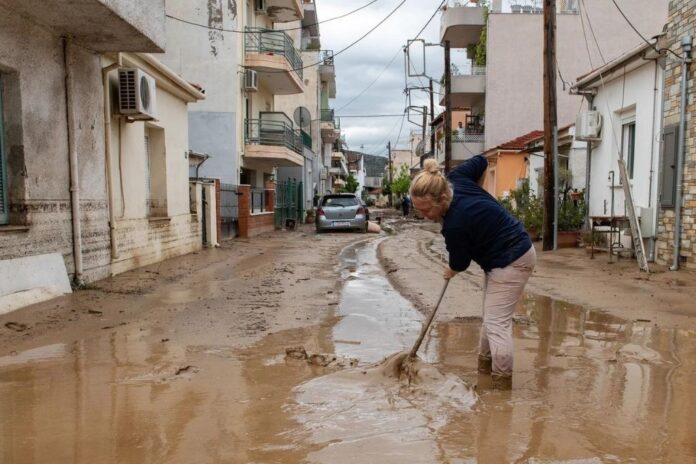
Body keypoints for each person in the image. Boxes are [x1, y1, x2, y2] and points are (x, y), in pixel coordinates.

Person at [410, 156, 536, 390]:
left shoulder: (455, 224)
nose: (424, 215)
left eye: (426, 210)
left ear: (443, 198)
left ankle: (500, 388)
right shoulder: (456, 179)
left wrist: (451, 269)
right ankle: (485, 369)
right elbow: (480, 161)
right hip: (502, 256)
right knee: (490, 318)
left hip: (513, 259)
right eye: (418, 210)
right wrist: (480, 196)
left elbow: (460, 262)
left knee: (497, 323)